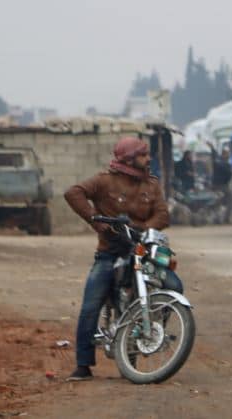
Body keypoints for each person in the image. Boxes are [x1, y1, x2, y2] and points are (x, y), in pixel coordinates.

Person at [63, 137, 181, 382]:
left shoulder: (151, 184)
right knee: (90, 305)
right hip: (110, 253)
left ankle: (149, 328)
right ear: (128, 158)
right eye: (143, 154)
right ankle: (83, 365)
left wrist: (143, 230)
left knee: (174, 286)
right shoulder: (104, 181)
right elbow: (73, 193)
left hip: (142, 252)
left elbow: (163, 214)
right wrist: (96, 221)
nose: (148, 159)